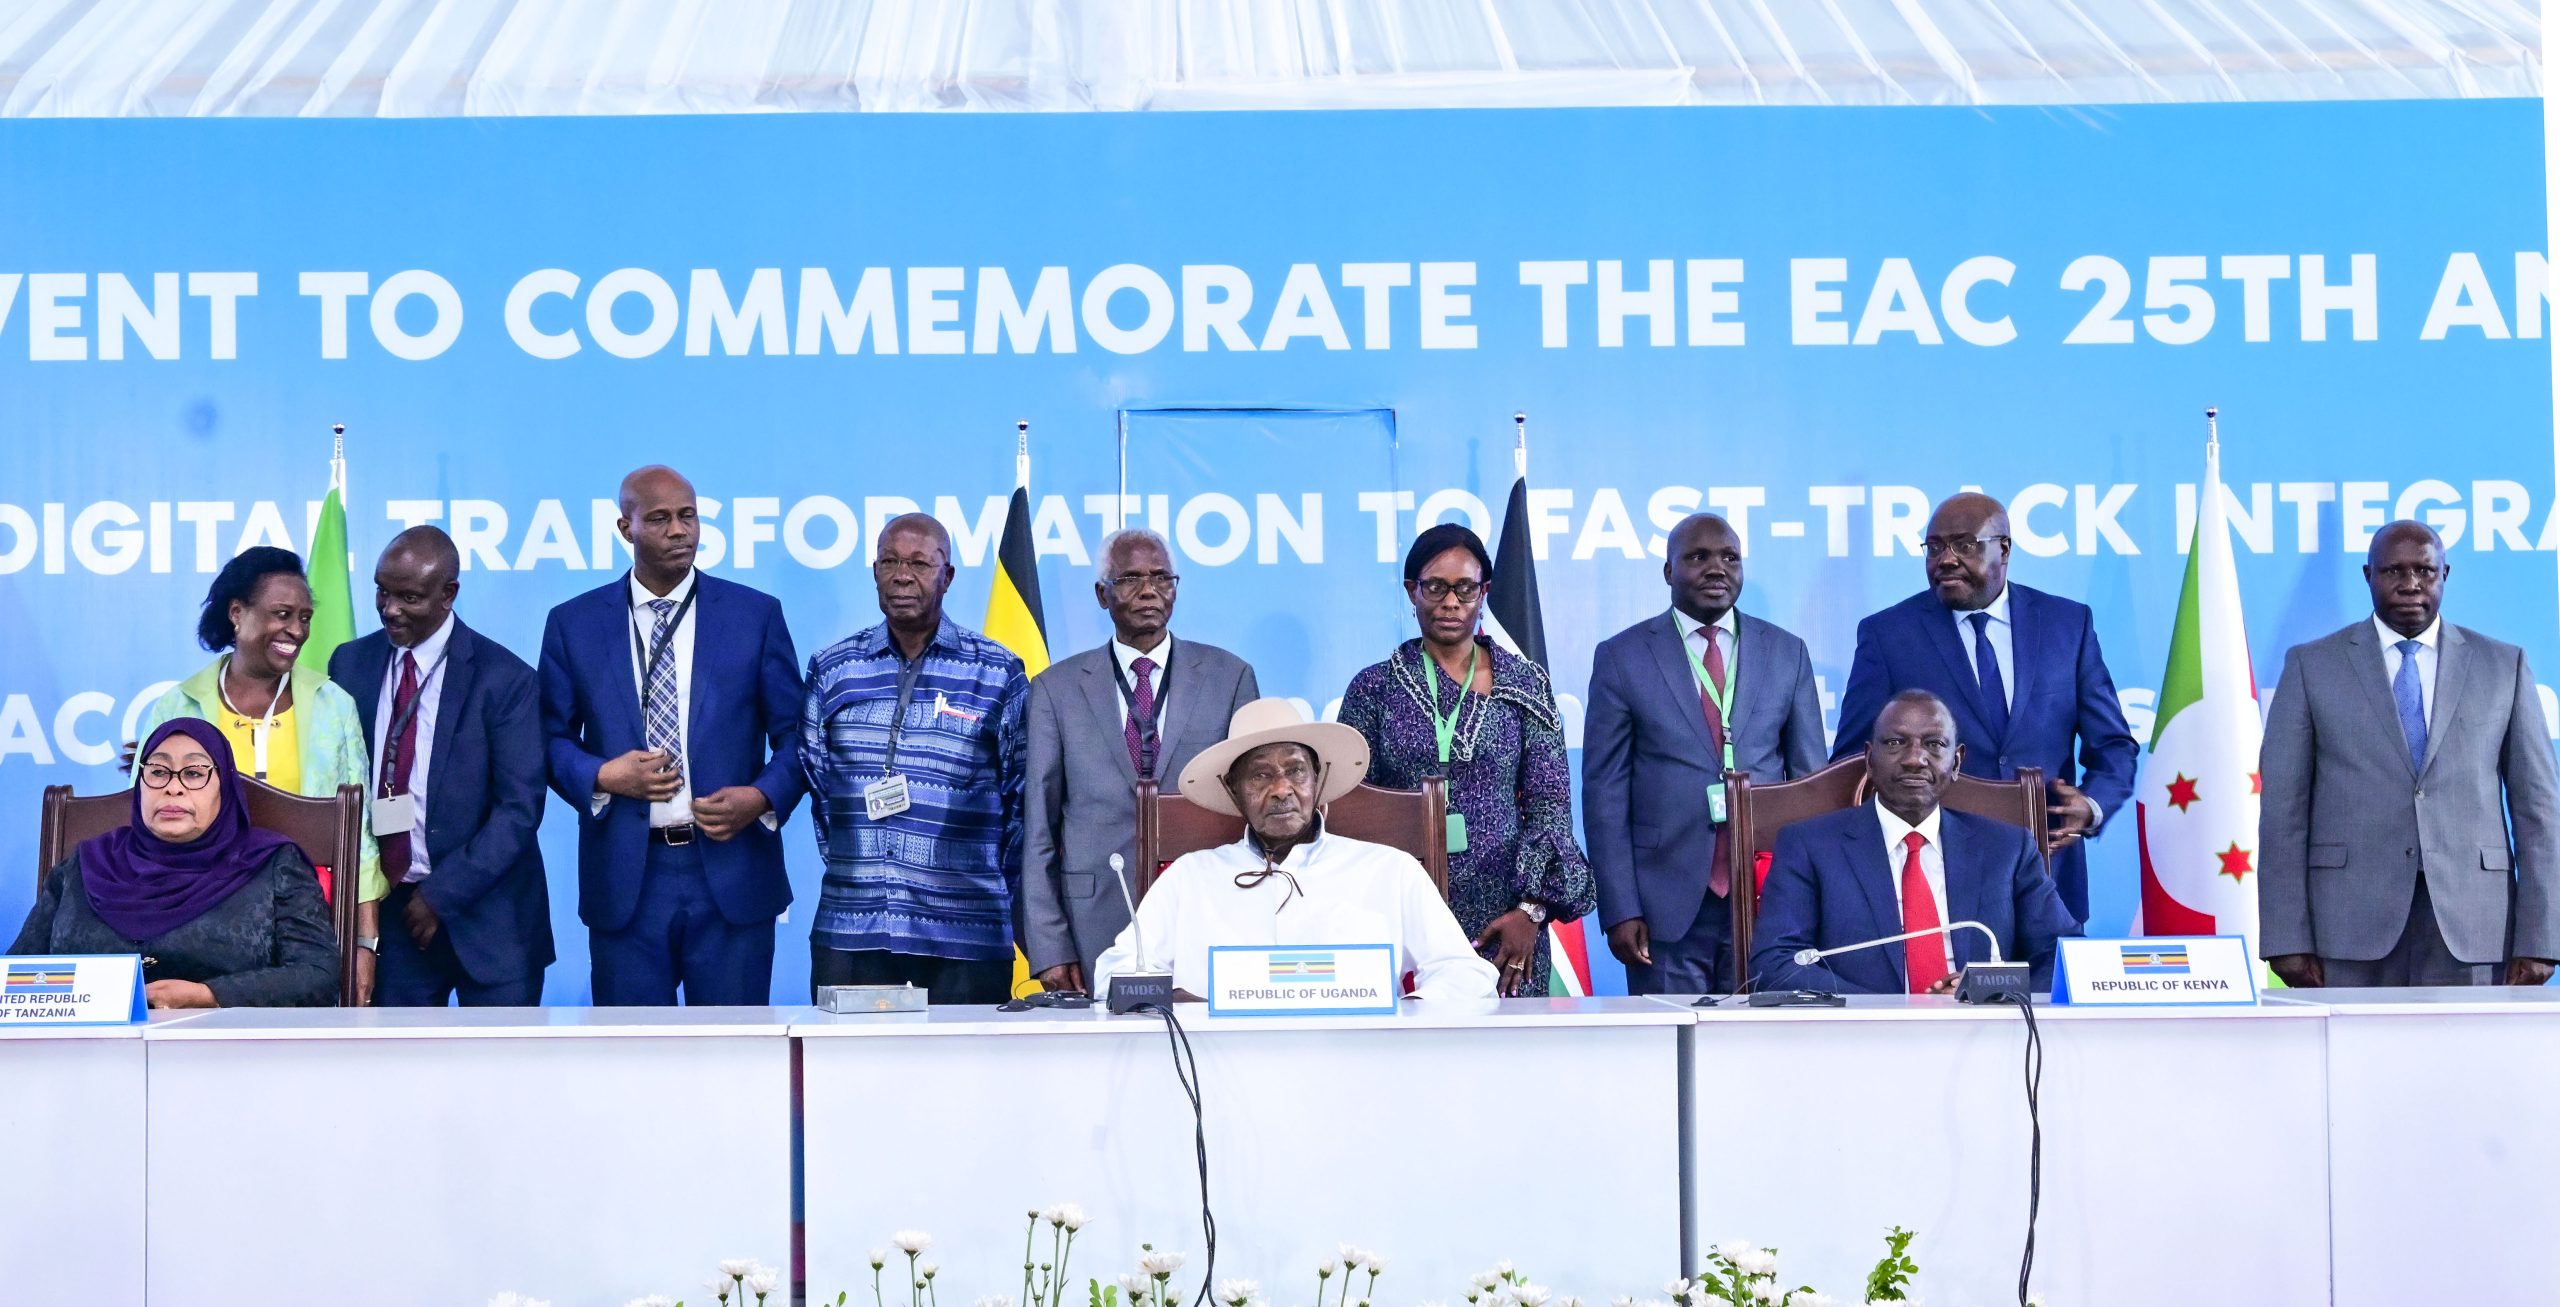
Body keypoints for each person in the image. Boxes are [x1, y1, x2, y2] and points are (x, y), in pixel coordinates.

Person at [538, 466, 805, 1005]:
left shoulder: (755, 616)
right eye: (659, 519)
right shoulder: (574, 623)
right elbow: (548, 738)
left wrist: (760, 798)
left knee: (735, 1062)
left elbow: (799, 735)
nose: (679, 530)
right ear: (625, 528)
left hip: (732, 872)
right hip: (628, 879)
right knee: (633, 1065)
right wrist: (602, 775)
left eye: (688, 516)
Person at [2259, 520, 2560, 987]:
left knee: (2467, 1062)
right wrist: (2286, 937)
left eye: (2424, 570)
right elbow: (2283, 812)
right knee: (2355, 1061)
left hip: (2475, 928)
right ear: (2368, 576)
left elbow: (2539, 811)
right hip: (2347, 927)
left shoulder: (2504, 666)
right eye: (2393, 571)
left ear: (2445, 574)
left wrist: (2542, 938)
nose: (2410, 584)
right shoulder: (2312, 665)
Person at [1832, 492, 2138, 921]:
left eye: (1965, 544)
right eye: (1935, 547)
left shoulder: (2067, 625)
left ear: (2004, 548)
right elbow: (1851, 762)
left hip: (2050, 878)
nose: (1947, 559)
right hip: (1936, 882)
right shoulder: (1888, 635)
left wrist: (2093, 807)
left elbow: (2114, 747)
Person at [1336, 523, 1596, 997]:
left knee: (1509, 1057)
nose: (1450, 602)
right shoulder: (1373, 688)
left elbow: (1551, 806)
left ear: (1485, 592)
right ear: (1412, 591)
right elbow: (1350, 814)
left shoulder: (1525, 681)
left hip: (1507, 914)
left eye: (1465, 588)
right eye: (1435, 587)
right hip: (1400, 908)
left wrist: (1531, 912)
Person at [1093, 698, 1498, 1001]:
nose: (1281, 789)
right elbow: (1113, 973)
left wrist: (1396, 1017)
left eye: (1295, 770)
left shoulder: (1390, 870)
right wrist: (1183, 1006)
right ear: (1234, 791)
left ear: (1318, 781)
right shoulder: (1189, 878)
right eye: (1260, 775)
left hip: (1361, 1081)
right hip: (1219, 1080)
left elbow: (1466, 975)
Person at [1584, 512, 1829, 994]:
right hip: (1664, 906)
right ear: (1669, 572)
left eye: (1730, 558)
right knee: (1670, 1058)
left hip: (1770, 897)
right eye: (1698, 557)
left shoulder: (1787, 651)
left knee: (1762, 1055)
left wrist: (1815, 897)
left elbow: (1810, 787)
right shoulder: (1623, 656)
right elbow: (1604, 794)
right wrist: (1620, 907)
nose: (1717, 568)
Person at [135, 545, 382, 1001]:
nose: (296, 630)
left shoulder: (334, 705)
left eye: (304, 617)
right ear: (236, 613)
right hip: (198, 928)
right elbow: (145, 826)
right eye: (282, 613)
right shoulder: (176, 706)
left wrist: (364, 944)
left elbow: (360, 839)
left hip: (304, 929)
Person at [801, 512, 1029, 1004]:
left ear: (947, 577)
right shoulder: (835, 667)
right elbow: (819, 789)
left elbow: (1021, 799)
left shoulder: (996, 671)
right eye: (889, 561)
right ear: (874, 571)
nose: (902, 575)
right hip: (852, 926)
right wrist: (863, 861)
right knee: (849, 1078)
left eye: (921, 564)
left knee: (964, 1079)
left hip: (965, 933)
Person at [1021, 528, 1259, 993]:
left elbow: (1252, 813)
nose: (1148, 590)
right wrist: (1050, 947)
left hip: (1206, 908)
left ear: (1176, 587)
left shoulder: (1229, 677)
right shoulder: (1056, 689)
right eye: (1129, 578)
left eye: (1161, 577)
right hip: (1092, 916)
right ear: (1101, 594)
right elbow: (1038, 829)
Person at [328, 527, 553, 1006]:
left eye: (408, 597)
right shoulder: (349, 664)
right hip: (392, 922)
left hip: (494, 925)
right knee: (395, 1076)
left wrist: (440, 896)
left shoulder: (506, 679)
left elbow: (519, 810)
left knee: (500, 1078)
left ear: (448, 594)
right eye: (382, 592)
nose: (390, 609)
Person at [1753, 691, 2080, 994]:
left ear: (1956, 762)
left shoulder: (2007, 849)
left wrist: (1986, 989)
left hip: (1985, 1038)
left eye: (1934, 744)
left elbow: (2065, 958)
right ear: (1870, 758)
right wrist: (1889, 1011)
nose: (1915, 759)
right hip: (1857, 1040)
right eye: (1896, 742)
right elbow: (1776, 964)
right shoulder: (1809, 846)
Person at [14, 719, 337, 1007]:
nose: (173, 787)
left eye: (194, 773)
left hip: (229, 1056)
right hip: (85, 1056)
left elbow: (317, 975)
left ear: (224, 788)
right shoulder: (86, 863)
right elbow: (18, 974)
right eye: (157, 772)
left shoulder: (273, 863)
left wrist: (207, 996)